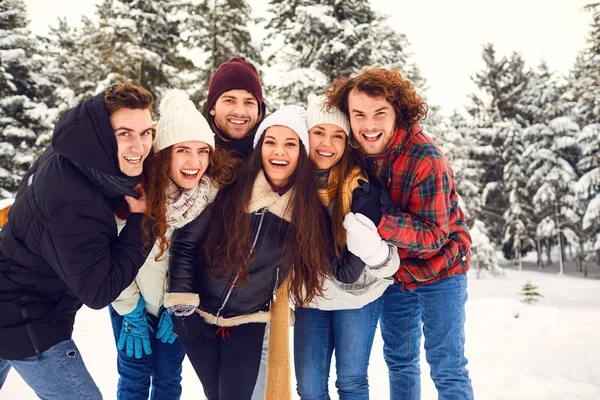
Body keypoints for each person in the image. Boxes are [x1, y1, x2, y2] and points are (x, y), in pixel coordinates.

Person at [164, 105, 357, 400]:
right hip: (197, 312)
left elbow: (343, 270)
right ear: (259, 147)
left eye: (290, 144)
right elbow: (186, 242)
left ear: (301, 153)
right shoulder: (231, 187)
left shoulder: (307, 212)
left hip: (248, 322)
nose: (279, 151)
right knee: (214, 394)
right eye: (271, 142)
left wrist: (367, 222)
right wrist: (182, 306)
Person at [326, 68, 474, 400]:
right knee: (400, 361)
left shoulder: (426, 158)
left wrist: (381, 218)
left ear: (398, 114)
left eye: (380, 113)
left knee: (446, 365)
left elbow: (434, 237)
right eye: (359, 114)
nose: (369, 125)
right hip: (395, 272)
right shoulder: (356, 153)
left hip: (442, 270)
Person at [0, 82, 154, 399]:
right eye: (124, 133)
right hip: (26, 317)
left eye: (145, 133)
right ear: (100, 134)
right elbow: (99, 290)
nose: (139, 146)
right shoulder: (75, 202)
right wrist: (143, 221)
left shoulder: (70, 152)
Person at [108, 89, 234, 399]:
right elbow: (110, 252)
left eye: (203, 151)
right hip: (131, 304)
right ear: (164, 153)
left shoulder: (214, 198)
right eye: (183, 150)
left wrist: (182, 304)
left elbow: (211, 263)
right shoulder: (136, 195)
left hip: (178, 308)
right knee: (134, 376)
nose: (195, 162)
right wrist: (130, 308)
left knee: (167, 378)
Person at [294, 94, 400, 400]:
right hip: (311, 297)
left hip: (359, 297)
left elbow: (383, 259)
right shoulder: (290, 183)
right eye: (318, 133)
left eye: (337, 135)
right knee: (310, 389)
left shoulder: (362, 185)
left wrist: (375, 253)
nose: (327, 144)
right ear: (305, 136)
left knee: (352, 383)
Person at [200, 58, 272, 399]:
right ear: (212, 107)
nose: (240, 110)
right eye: (230, 99)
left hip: (255, 302)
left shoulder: (270, 156)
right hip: (198, 299)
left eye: (249, 101)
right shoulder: (193, 153)